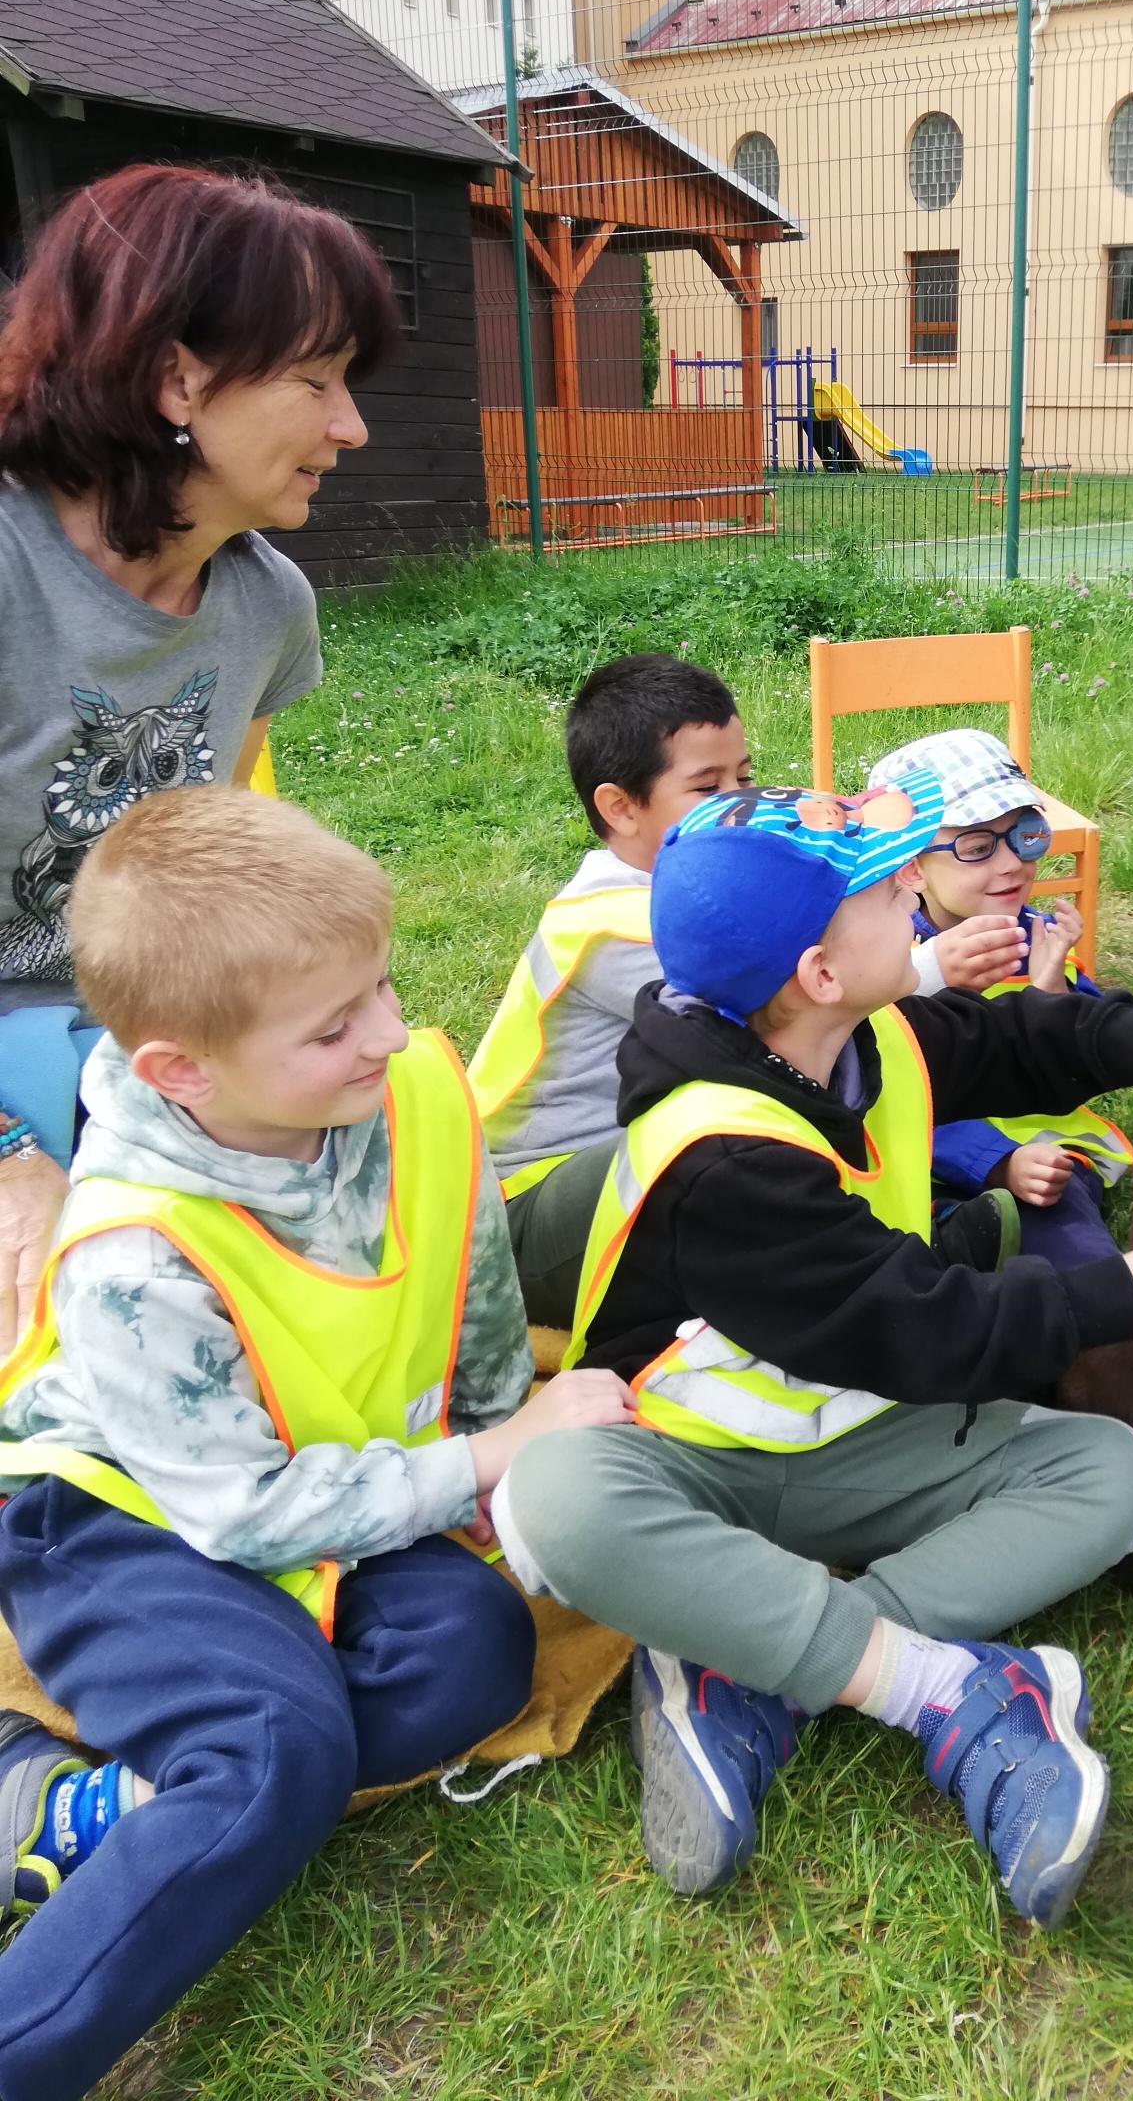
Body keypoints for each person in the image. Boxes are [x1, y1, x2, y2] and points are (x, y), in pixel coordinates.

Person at [488, 774, 1133, 1931]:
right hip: (700, 1462)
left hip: (856, 1441)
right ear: (820, 974)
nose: (911, 903)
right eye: (887, 895)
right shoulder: (724, 1160)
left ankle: (756, 1670)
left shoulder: (858, 1031)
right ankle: (941, 1691)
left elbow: (1022, 1038)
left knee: (1110, 1474)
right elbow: (940, 1329)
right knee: (560, 1501)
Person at [0, 789, 633, 2101]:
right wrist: (488, 1458)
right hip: (126, 1516)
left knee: (479, 1650)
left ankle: (125, 1807)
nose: (393, 1036)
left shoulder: (412, 1090)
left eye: (384, 990)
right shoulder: (132, 1254)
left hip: (325, 1482)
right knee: (279, 1747)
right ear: (180, 1069)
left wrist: (498, 1445)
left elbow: (480, 1305)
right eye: (336, 1026)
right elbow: (236, 1519)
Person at [0, 163, 401, 1357]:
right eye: (317, 380)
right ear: (179, 376)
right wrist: (12, 1158)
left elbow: (207, 873)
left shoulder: (265, 606)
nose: (353, 427)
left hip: (138, 1028)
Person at [468, 653, 753, 1327]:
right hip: (526, 1215)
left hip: (608, 1173)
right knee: (725, 1154)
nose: (742, 804)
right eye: (708, 788)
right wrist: (928, 967)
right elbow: (774, 1015)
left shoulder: (682, 892)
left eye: (746, 776)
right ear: (621, 808)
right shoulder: (618, 926)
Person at [869, 727, 1130, 1270]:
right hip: (915, 1151)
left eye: (1026, 834)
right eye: (978, 845)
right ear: (912, 865)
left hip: (1038, 1153)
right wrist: (994, 1162)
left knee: (1069, 1239)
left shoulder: (1035, 934)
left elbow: (1082, 1051)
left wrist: (1049, 985)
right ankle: (950, 1230)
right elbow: (880, 1075)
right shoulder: (882, 952)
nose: (1012, 863)